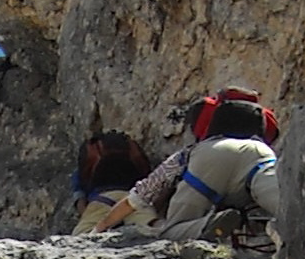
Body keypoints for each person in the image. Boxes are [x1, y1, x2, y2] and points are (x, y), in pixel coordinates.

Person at [93, 90, 282, 239]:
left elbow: (140, 196)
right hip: (261, 155)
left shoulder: (194, 151)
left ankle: (206, 225)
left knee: (171, 232)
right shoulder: (260, 146)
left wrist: (101, 226)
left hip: (211, 158)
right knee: (284, 208)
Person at [68, 126, 152, 233]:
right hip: (134, 197)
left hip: (101, 200)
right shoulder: (132, 152)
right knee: (151, 230)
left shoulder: (86, 161)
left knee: (81, 235)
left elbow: (79, 195)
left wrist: (86, 215)